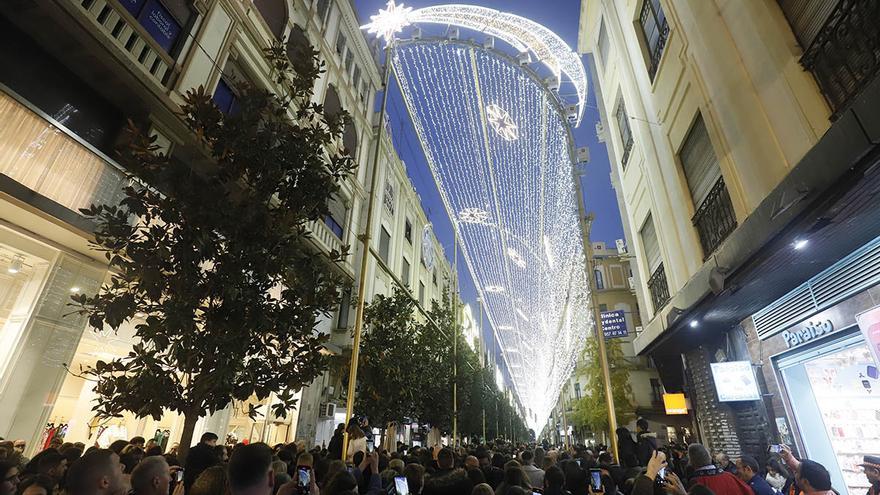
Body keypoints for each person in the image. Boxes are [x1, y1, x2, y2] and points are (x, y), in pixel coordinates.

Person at [686, 444, 752, 495]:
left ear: (691, 462)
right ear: (709, 458)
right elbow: (748, 491)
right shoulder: (729, 476)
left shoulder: (696, 483)